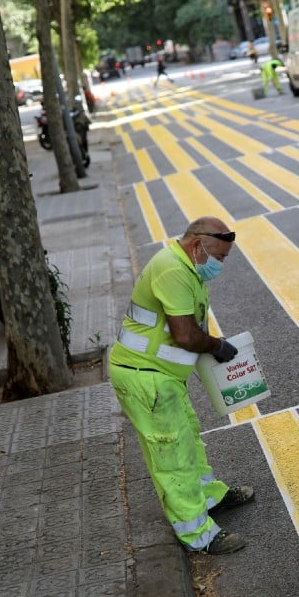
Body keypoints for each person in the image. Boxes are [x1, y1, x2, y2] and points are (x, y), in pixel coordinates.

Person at [109, 217, 254, 555]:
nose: (220, 264)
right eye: (218, 256)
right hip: (146, 378)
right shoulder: (173, 270)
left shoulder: (185, 267)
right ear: (195, 246)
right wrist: (216, 346)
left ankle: (209, 496)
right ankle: (198, 533)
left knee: (187, 437)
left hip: (162, 377)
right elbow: (186, 335)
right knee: (171, 456)